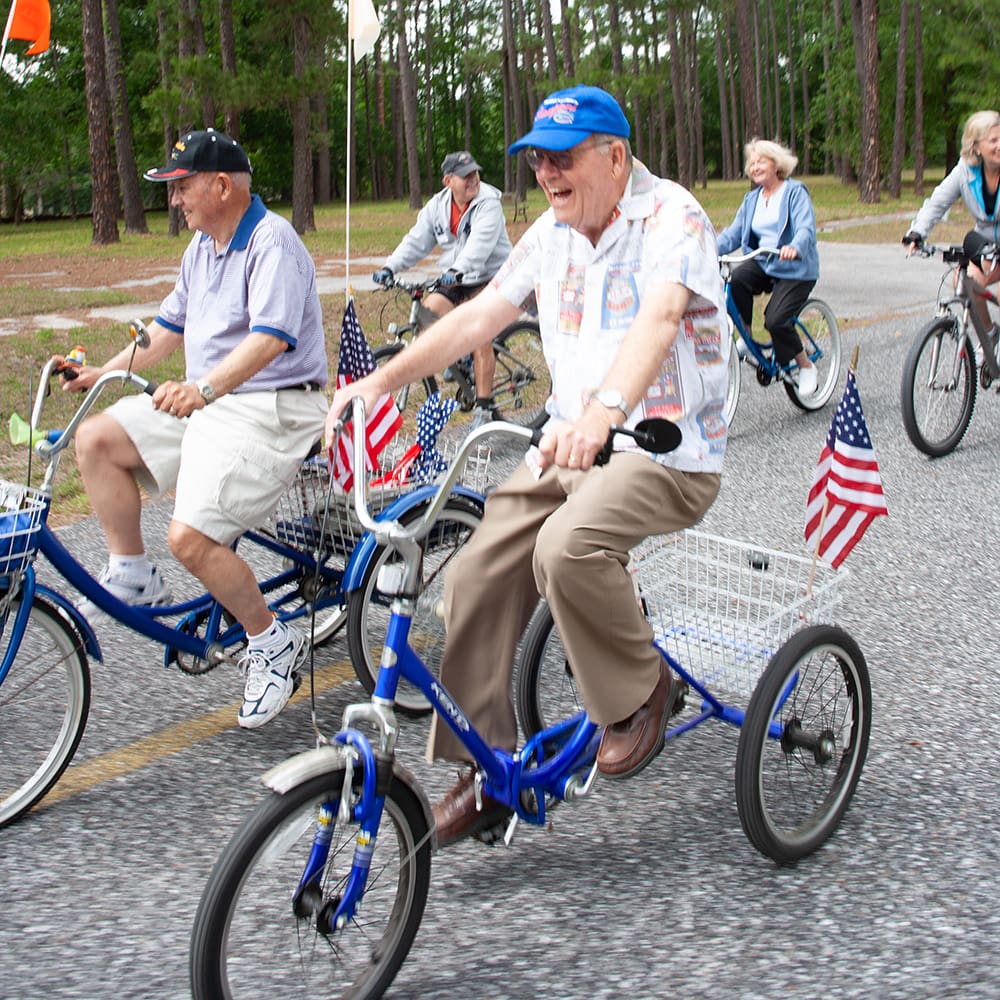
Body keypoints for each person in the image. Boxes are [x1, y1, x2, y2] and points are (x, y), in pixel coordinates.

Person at [325, 85, 728, 847]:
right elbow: (482, 315)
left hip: (666, 450)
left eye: (563, 157)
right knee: (476, 575)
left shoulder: (673, 216)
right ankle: (488, 770)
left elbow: (662, 315)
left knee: (564, 548)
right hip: (573, 441)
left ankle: (643, 689)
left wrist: (608, 410)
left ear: (615, 156)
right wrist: (380, 381)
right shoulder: (551, 232)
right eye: (538, 159)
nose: (547, 172)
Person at [62, 129, 328, 730]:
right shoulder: (202, 248)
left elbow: (270, 339)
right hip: (210, 405)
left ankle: (269, 640)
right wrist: (100, 371)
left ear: (222, 185)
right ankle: (130, 570)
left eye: (182, 187)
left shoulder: (271, 241)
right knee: (96, 438)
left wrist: (204, 388)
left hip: (273, 407)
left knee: (189, 537)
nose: (175, 199)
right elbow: (165, 328)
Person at [372, 150, 513, 428]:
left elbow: (479, 247)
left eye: (475, 173)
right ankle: (460, 357)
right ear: (448, 181)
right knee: (428, 315)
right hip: (455, 276)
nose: (473, 180)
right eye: (465, 176)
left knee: (479, 332)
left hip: (488, 275)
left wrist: (455, 271)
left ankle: (483, 409)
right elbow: (416, 241)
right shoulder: (437, 207)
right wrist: (390, 267)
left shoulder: (488, 203)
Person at [715, 139, 820, 396]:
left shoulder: (794, 192)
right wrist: (706, 249)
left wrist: (794, 247)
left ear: (776, 164)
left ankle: (805, 366)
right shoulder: (751, 200)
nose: (755, 166)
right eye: (752, 162)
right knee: (737, 279)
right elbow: (732, 234)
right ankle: (748, 338)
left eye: (761, 160)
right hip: (765, 263)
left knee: (775, 319)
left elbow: (806, 227)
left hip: (794, 268)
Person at [903, 109, 1000, 338]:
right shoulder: (965, 172)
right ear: (976, 146)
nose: (999, 145)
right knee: (964, 280)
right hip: (987, 246)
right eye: (993, 140)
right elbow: (937, 202)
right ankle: (989, 335)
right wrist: (917, 232)